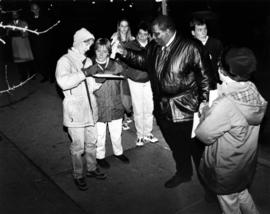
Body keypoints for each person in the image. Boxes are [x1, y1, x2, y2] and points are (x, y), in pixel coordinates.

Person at [115, 15, 211, 188]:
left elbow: (204, 76)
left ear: (168, 31)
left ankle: (209, 187)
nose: (153, 37)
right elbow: (143, 61)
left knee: (196, 150)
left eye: (157, 33)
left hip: (186, 109)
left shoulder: (191, 47)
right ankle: (184, 173)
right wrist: (125, 53)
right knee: (176, 147)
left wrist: (204, 101)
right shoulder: (154, 46)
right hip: (162, 108)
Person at [195, 47, 267, 214]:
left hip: (226, 167)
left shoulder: (226, 105)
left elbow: (204, 135)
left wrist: (205, 110)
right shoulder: (252, 89)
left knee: (229, 204)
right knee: (241, 193)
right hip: (245, 161)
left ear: (222, 70)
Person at [55, 28, 106, 191]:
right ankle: (78, 174)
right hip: (75, 112)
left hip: (90, 109)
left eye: (91, 44)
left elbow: (90, 86)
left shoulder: (88, 61)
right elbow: (63, 82)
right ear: (78, 42)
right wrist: (84, 73)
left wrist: (99, 81)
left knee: (92, 142)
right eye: (87, 44)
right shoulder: (65, 61)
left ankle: (91, 168)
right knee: (78, 147)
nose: (89, 47)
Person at [92, 38, 130, 169]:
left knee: (116, 133)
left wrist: (126, 106)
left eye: (104, 51)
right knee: (100, 135)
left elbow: (124, 86)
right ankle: (100, 156)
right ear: (95, 51)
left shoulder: (116, 66)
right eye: (98, 51)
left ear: (109, 52)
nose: (101, 54)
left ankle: (118, 153)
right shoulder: (89, 66)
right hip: (99, 106)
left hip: (115, 105)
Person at [124, 22, 158, 146]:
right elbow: (123, 62)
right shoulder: (130, 45)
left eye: (145, 34)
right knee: (138, 109)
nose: (142, 37)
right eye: (140, 34)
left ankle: (148, 133)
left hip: (149, 80)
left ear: (149, 35)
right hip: (135, 81)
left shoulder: (152, 46)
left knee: (149, 108)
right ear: (136, 34)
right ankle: (140, 135)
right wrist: (128, 74)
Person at [111, 18, 135, 131]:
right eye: (122, 26)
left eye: (126, 26)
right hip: (119, 69)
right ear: (119, 27)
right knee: (121, 95)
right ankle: (123, 119)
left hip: (129, 70)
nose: (124, 28)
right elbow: (111, 54)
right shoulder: (115, 38)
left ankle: (127, 114)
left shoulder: (132, 39)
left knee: (128, 94)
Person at [190, 17, 223, 89]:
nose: (203, 32)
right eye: (200, 30)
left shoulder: (216, 43)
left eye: (205, 29)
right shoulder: (190, 46)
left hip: (214, 83)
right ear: (193, 32)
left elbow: (221, 63)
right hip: (196, 85)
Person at [28, 3, 53, 83]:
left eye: (37, 9)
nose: (35, 11)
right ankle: (45, 75)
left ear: (39, 9)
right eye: (33, 9)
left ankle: (52, 77)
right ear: (31, 10)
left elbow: (47, 29)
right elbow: (31, 31)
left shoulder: (45, 17)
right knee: (40, 60)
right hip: (36, 44)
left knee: (49, 60)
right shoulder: (30, 19)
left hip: (46, 43)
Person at [7, 11, 34, 81]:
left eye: (16, 14)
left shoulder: (23, 22)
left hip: (24, 45)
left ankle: (32, 75)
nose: (15, 15)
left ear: (18, 14)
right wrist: (12, 33)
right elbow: (8, 34)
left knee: (27, 61)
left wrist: (19, 33)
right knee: (19, 62)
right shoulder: (9, 24)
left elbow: (26, 33)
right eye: (13, 14)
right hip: (15, 46)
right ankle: (23, 76)